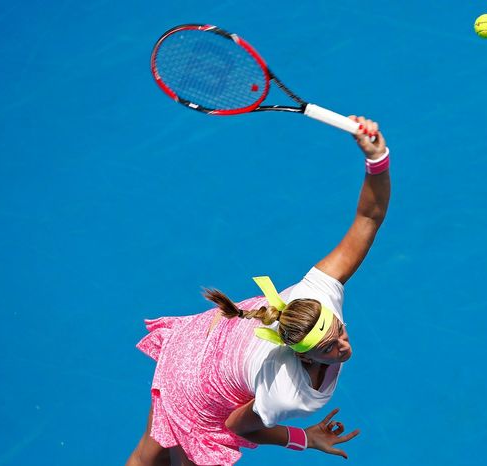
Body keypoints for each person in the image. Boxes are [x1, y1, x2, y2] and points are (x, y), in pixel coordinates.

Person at [126, 116, 391, 466]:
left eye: (337, 331)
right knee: (166, 459)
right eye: (329, 347)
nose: (344, 346)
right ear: (304, 357)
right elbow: (237, 425)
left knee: (149, 452)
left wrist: (377, 157)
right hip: (199, 389)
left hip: (204, 344)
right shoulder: (286, 391)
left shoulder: (321, 291)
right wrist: (304, 439)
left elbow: (368, 217)